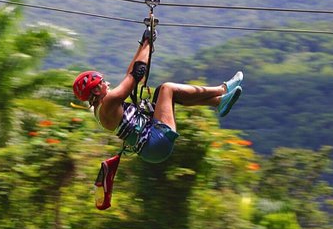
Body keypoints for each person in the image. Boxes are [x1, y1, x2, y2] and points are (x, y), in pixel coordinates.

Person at [73, 28, 243, 164]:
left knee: (164, 91)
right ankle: (221, 89)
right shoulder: (109, 102)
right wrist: (148, 42)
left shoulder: (100, 110)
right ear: (96, 91)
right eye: (103, 82)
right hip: (154, 141)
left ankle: (219, 102)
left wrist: (143, 43)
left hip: (149, 148)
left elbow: (130, 73)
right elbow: (136, 75)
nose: (107, 83)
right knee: (167, 89)